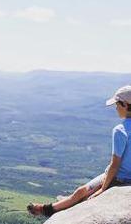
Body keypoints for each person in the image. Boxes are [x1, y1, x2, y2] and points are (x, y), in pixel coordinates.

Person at [27, 85, 131, 217]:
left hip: (118, 177)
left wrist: (103, 189)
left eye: (117, 104)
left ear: (125, 105)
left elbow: (115, 164)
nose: (116, 108)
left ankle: (47, 209)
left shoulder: (120, 130)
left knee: (80, 192)